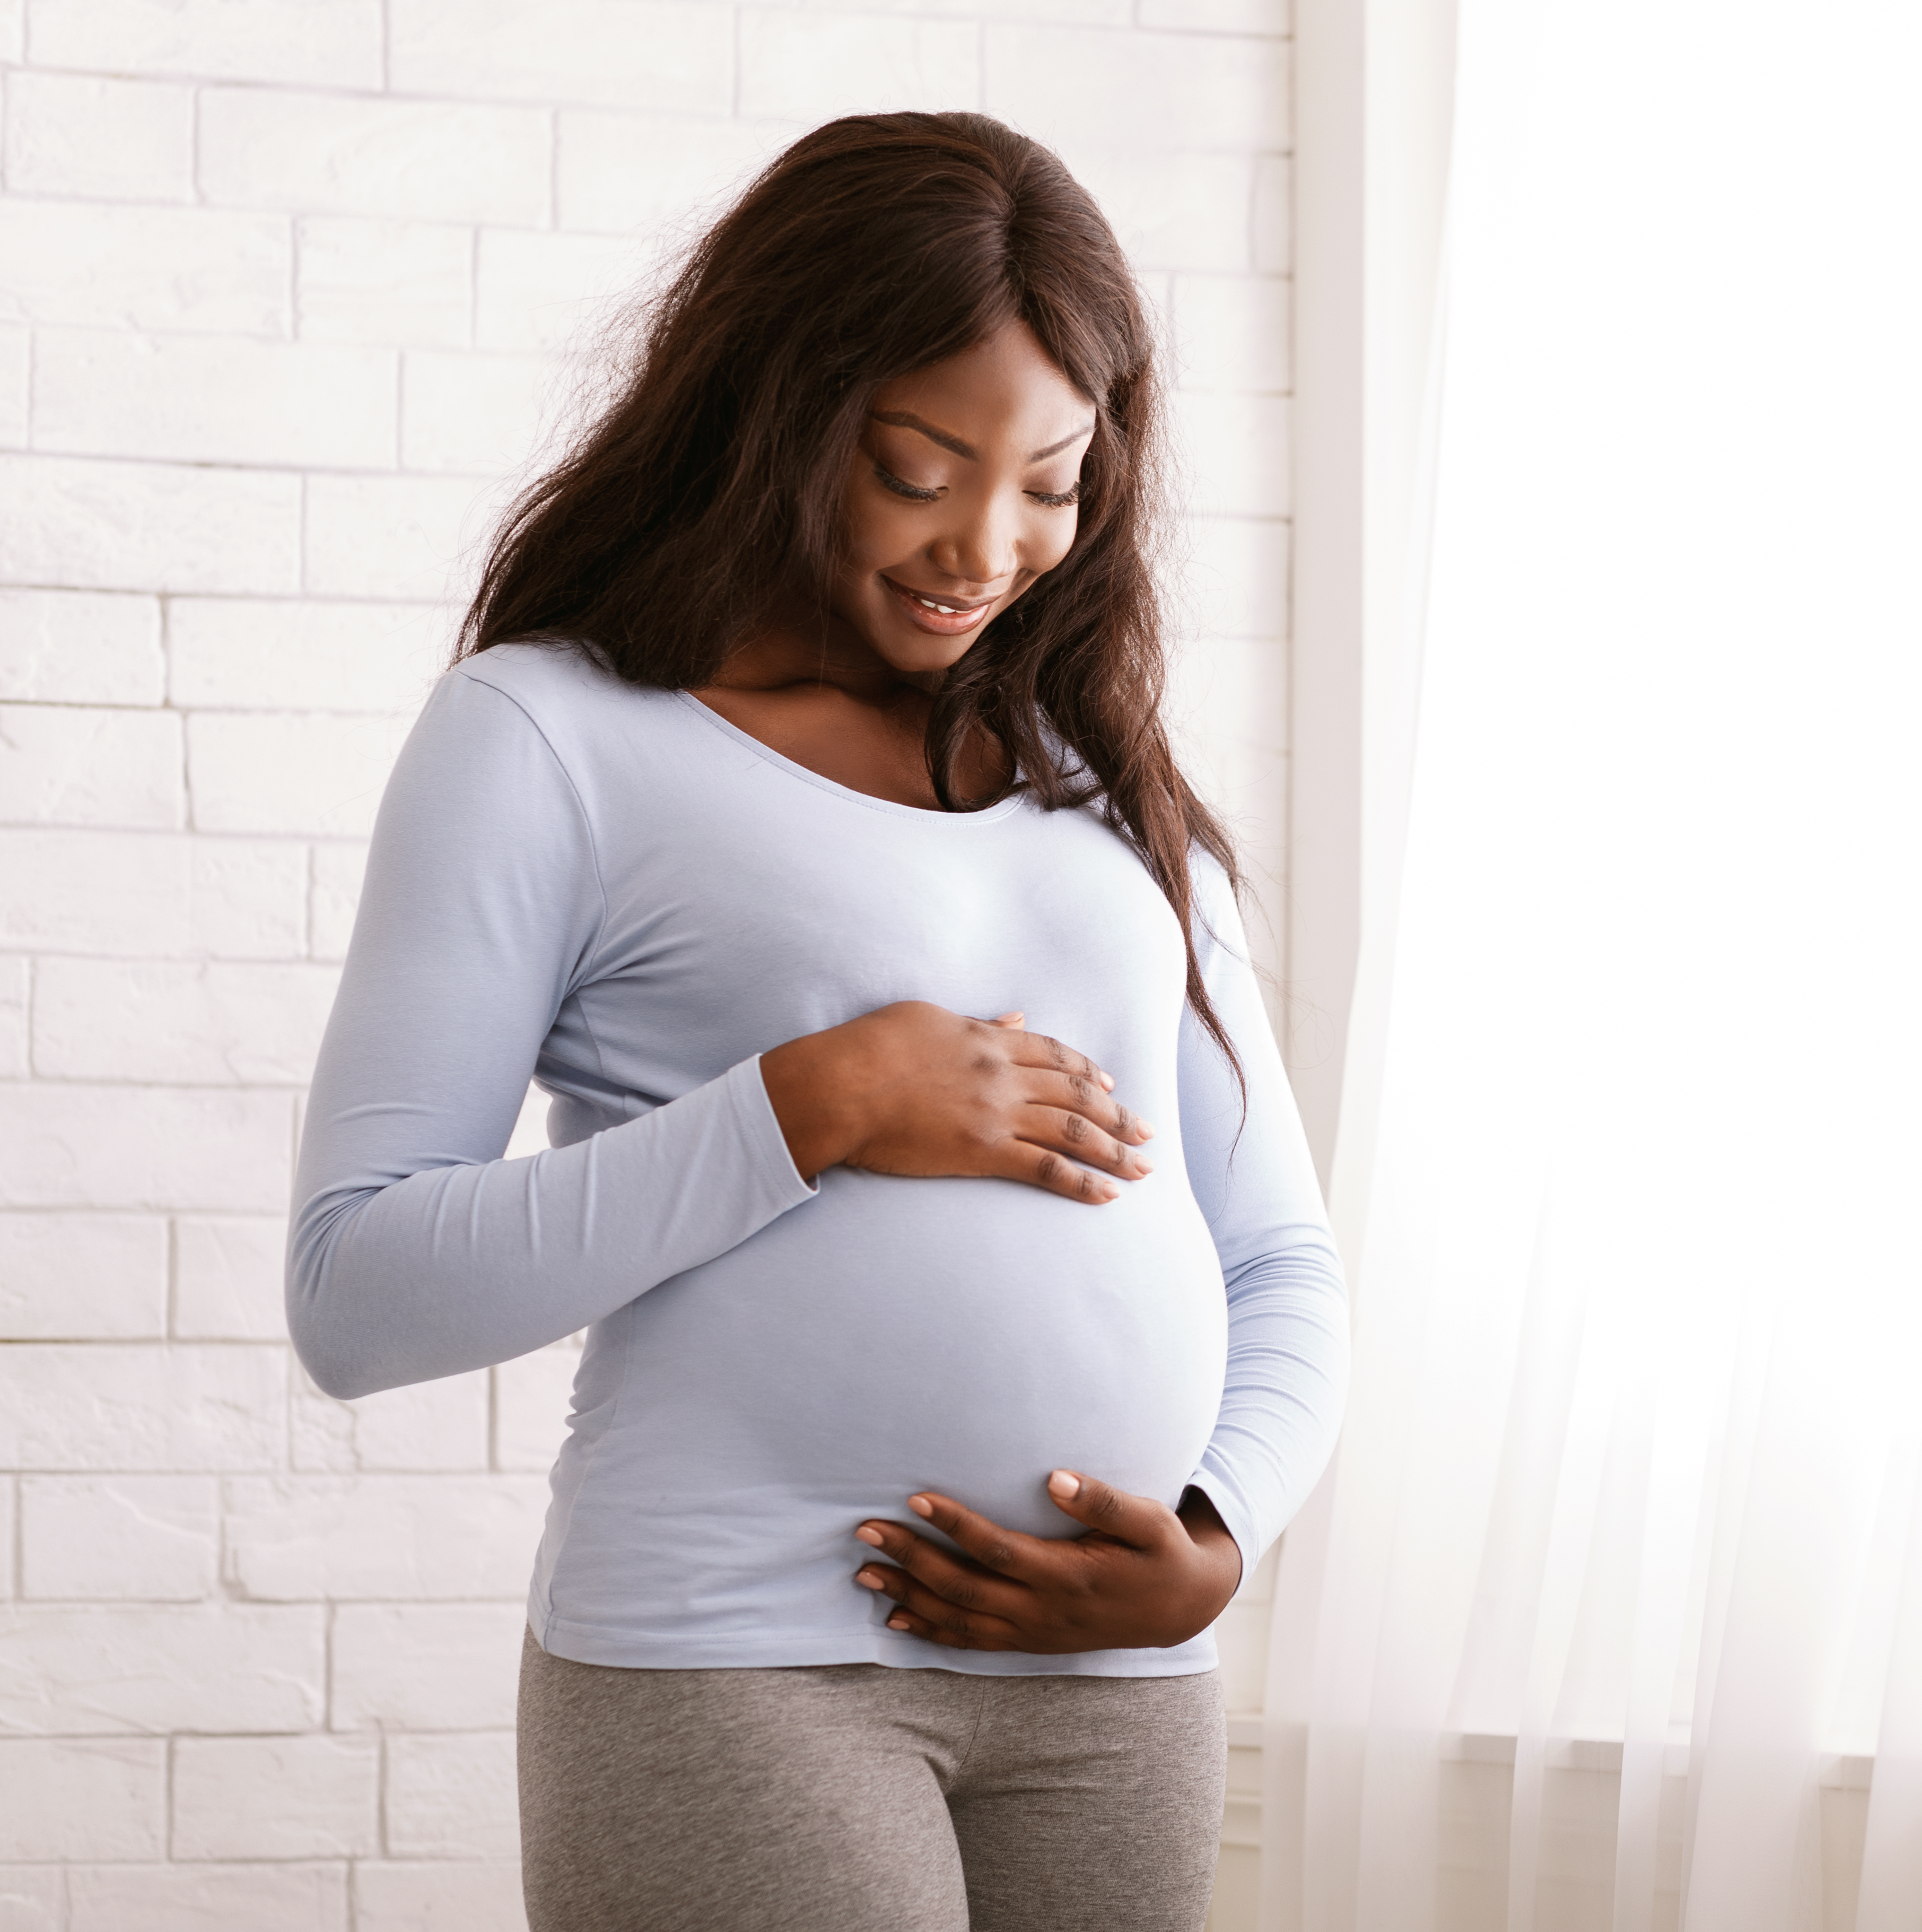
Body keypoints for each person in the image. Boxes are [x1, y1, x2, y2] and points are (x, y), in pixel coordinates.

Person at [286, 112, 1347, 1932]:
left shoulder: (1111, 788)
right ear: (775, 413)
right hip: (730, 1664)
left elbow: (1279, 1258)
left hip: (1119, 1692)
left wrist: (1219, 1535)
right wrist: (817, 1099)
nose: (990, 542)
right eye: (920, 465)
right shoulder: (553, 734)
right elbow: (358, 1288)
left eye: (1053, 478)